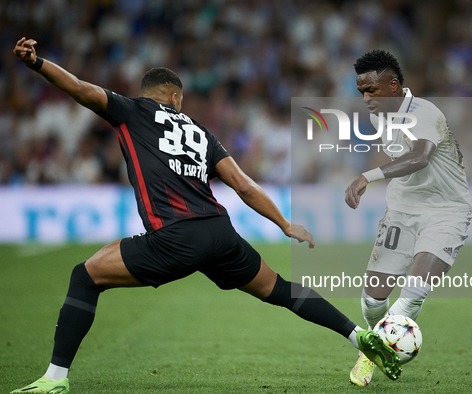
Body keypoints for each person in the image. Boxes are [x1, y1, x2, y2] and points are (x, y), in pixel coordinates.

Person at [11, 38, 402, 394]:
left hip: (176, 237)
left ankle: (55, 379)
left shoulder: (131, 110)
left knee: (85, 275)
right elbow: (244, 185)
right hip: (221, 234)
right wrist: (285, 224)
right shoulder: (201, 133)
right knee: (280, 289)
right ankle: (358, 335)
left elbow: (80, 89)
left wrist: (38, 63)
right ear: (176, 97)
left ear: (147, 95)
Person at [345, 50, 472, 386]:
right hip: (401, 211)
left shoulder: (424, 113)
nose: (366, 98)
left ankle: (369, 355)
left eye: (372, 90)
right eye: (361, 92)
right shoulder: (379, 117)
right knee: (373, 300)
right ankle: (378, 337)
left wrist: (367, 177)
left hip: (446, 212)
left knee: (414, 291)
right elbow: (399, 154)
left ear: (394, 85)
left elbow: (419, 157)